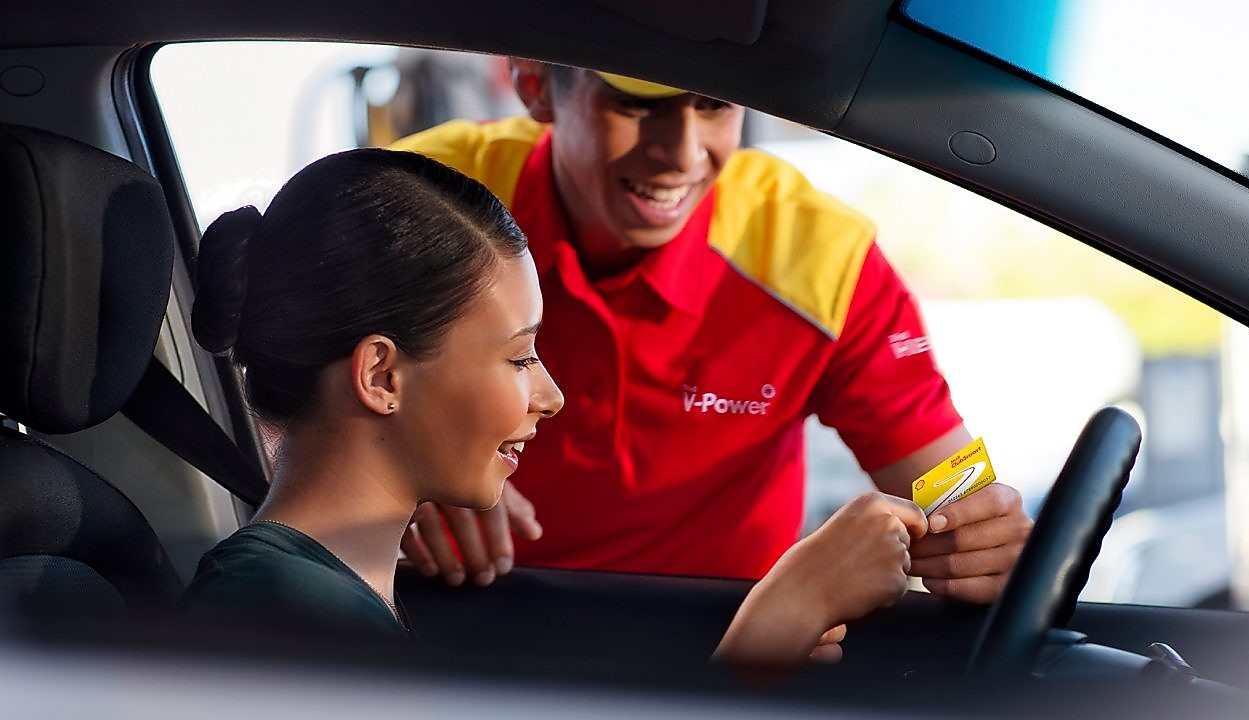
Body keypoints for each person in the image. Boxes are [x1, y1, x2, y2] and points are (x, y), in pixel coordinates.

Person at [177, 147, 930, 667]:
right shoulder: (277, 610)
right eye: (518, 358)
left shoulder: (329, 593)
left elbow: (950, 466)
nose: (552, 396)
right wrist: (768, 637)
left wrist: (971, 503)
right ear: (381, 375)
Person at [389, 62, 1032, 602]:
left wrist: (987, 534)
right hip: (444, 642)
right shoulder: (416, 202)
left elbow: (956, 496)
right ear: (535, 83)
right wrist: (397, 464)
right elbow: (323, 407)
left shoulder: (819, 259)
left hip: (729, 660)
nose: (683, 154)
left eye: (715, 103)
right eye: (639, 104)